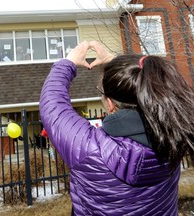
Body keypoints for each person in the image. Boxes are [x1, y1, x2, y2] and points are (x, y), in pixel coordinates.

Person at [39, 41, 194, 215]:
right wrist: (116, 63)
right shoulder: (174, 136)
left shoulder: (88, 149)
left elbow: (52, 106)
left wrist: (66, 64)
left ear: (110, 104)